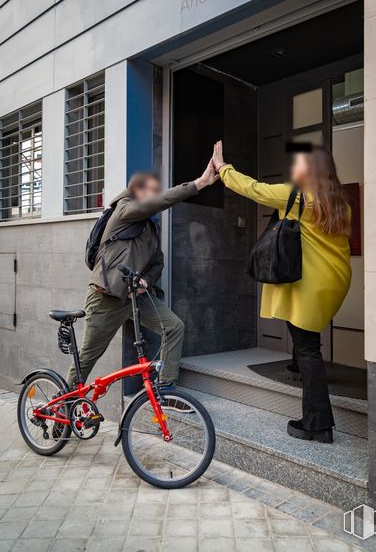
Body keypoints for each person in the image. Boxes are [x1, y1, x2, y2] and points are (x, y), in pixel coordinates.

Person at [211, 140, 351, 443]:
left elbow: (255, 190)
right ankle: (299, 368)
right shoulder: (339, 202)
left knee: (308, 348)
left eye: (299, 164)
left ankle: (317, 424)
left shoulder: (301, 197)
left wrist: (223, 168)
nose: (294, 168)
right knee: (307, 342)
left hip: (310, 283)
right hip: (334, 280)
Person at [67, 163, 219, 388]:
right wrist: (199, 183)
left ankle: (165, 389)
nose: (155, 195)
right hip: (106, 298)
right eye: (151, 190)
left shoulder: (150, 227)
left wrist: (147, 279)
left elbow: (158, 262)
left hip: (136, 298)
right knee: (87, 358)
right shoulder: (123, 209)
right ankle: (63, 409)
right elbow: (158, 203)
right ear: (137, 190)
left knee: (173, 327)